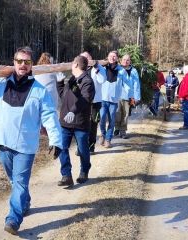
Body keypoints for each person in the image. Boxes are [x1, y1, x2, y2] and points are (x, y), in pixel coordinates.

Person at [0, 46, 62, 235]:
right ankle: (25, 201)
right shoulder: (0, 83)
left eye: (27, 62)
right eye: (20, 61)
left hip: (25, 145)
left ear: (32, 65)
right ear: (14, 62)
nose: (23, 65)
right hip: (4, 142)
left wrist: (56, 140)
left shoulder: (39, 91)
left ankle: (13, 219)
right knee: (14, 181)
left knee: (20, 182)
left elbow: (49, 116)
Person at [56, 55, 95, 187]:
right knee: (61, 148)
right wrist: (59, 84)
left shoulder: (87, 82)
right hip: (65, 122)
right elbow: (64, 97)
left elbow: (84, 100)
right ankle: (66, 175)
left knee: (83, 150)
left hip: (80, 123)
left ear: (77, 65)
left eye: (73, 63)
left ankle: (84, 171)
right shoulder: (72, 79)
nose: (71, 65)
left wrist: (73, 111)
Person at [99, 50, 133, 148]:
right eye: (110, 56)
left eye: (114, 56)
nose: (112, 58)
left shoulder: (121, 71)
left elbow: (126, 84)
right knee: (101, 118)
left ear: (117, 58)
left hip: (114, 100)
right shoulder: (103, 68)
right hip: (103, 99)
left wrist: (130, 95)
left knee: (112, 121)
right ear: (108, 57)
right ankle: (102, 133)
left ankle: (108, 140)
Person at [78, 51, 106, 154]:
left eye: (87, 58)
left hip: (95, 101)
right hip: (82, 101)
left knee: (93, 124)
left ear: (91, 58)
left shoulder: (98, 68)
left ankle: (91, 147)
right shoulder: (79, 69)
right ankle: (80, 147)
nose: (85, 60)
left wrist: (97, 70)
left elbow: (103, 80)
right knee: (80, 124)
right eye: (83, 58)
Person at [114, 54, 140, 139]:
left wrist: (136, 97)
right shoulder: (117, 68)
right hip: (117, 95)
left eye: (127, 60)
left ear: (130, 61)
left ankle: (123, 131)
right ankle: (116, 127)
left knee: (125, 114)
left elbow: (136, 84)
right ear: (121, 60)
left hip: (128, 96)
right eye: (124, 60)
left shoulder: (134, 71)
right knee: (117, 113)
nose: (125, 61)